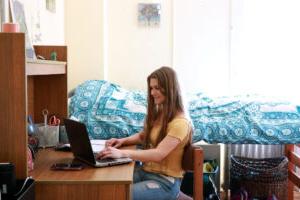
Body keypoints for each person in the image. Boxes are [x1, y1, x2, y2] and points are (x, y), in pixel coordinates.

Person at [97, 66, 192, 200]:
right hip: (145, 171)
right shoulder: (161, 114)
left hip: (164, 182)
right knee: (109, 186)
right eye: (151, 88)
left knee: (118, 195)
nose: (152, 93)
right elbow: (143, 136)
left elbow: (158, 154)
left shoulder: (180, 123)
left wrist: (122, 153)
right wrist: (123, 141)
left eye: (157, 88)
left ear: (170, 89)